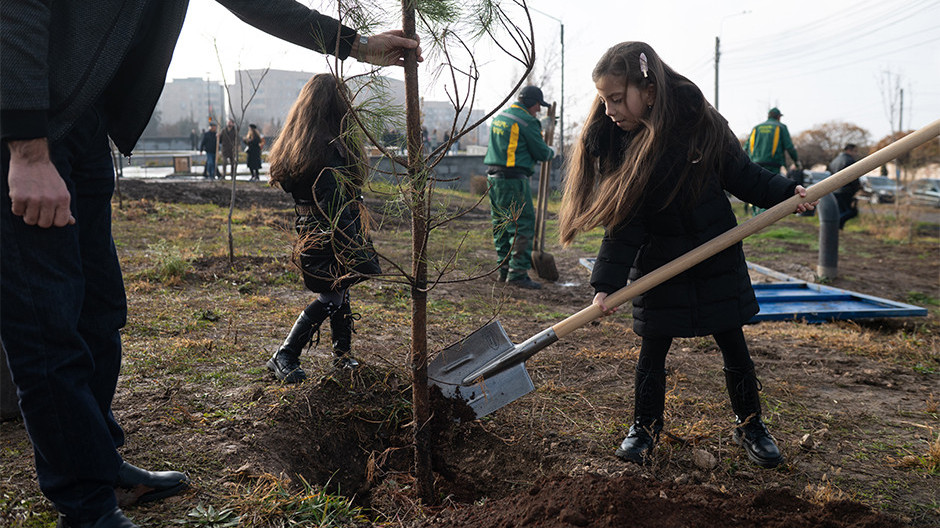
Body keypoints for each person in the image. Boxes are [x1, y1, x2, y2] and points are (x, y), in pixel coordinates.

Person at [1, 2, 420, 526]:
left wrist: (355, 44)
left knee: (100, 312)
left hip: (79, 120)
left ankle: (101, 464)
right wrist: (27, 149)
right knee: (49, 327)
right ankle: (86, 507)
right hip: (26, 128)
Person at [559, 42, 817, 470]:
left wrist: (787, 193)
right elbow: (625, 224)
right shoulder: (626, 142)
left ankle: (752, 424)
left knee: (734, 344)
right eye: (604, 100)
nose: (608, 111)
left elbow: (744, 176)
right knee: (653, 350)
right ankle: (643, 428)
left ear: (651, 91)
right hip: (660, 265)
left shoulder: (702, 124)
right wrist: (606, 285)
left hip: (715, 253)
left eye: (617, 99)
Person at [265, 74, 381, 382]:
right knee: (331, 295)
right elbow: (335, 205)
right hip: (329, 232)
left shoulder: (300, 141)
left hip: (312, 228)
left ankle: (342, 356)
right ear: (337, 106)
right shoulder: (329, 148)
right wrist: (355, 246)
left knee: (338, 288)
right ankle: (285, 354)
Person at [483, 85, 555, 289]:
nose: (539, 110)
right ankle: (517, 274)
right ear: (532, 103)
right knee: (521, 224)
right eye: (538, 106)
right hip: (514, 180)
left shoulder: (502, 117)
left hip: (493, 179)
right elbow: (541, 153)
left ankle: (504, 270)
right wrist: (552, 150)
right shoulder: (528, 121)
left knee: (501, 224)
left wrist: (539, 125)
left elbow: (517, 136)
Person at [828, 143, 860, 229]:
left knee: (840, 211)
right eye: (855, 151)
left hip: (835, 190)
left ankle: (836, 228)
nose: (856, 153)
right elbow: (854, 177)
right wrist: (857, 188)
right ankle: (834, 225)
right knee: (851, 212)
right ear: (849, 150)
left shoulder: (835, 161)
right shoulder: (849, 161)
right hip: (846, 190)